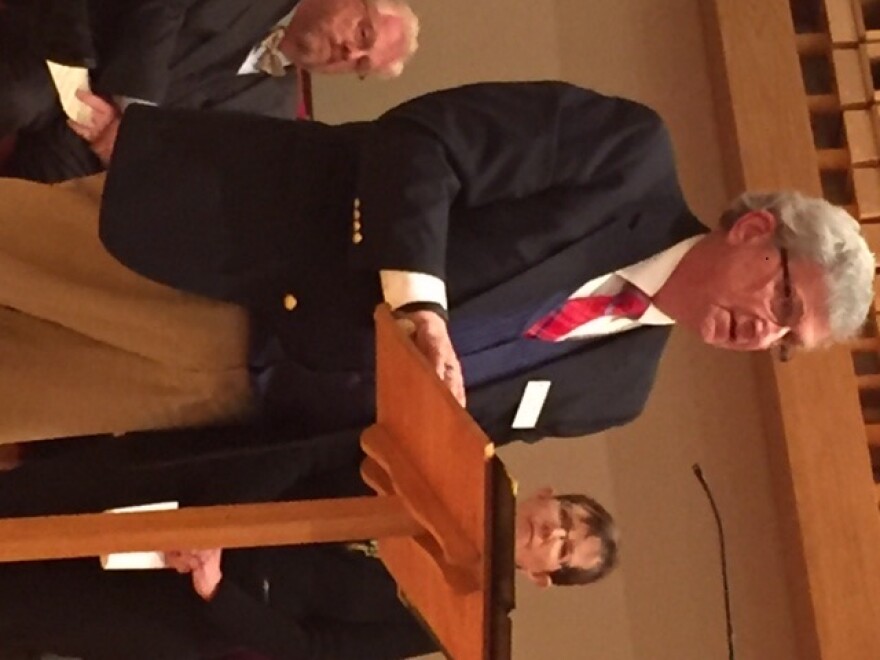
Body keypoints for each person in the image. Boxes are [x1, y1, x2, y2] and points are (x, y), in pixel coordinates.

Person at [94, 80, 874, 446]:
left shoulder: (617, 391)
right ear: (755, 231)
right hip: (236, 250)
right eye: (783, 299)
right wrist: (418, 306)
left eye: (783, 342)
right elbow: (422, 143)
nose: (761, 331)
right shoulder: (629, 159)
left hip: (232, 406)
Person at [0, 425, 617, 660]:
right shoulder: (444, 458)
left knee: (31, 610)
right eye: (565, 516)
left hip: (198, 604)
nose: (555, 532)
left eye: (564, 550)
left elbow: (316, 648)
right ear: (546, 493)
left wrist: (218, 590)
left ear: (541, 576)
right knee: (30, 501)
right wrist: (221, 519)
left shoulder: (443, 617)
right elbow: (318, 448)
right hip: (206, 493)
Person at [0, 0, 420, 182]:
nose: (350, 50)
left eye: (361, 63)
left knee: (69, 211)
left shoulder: (274, 112)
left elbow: (193, 164)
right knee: (19, 96)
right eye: (362, 32)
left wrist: (129, 150)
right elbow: (159, 8)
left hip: (95, 145)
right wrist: (135, 113)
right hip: (82, 44)